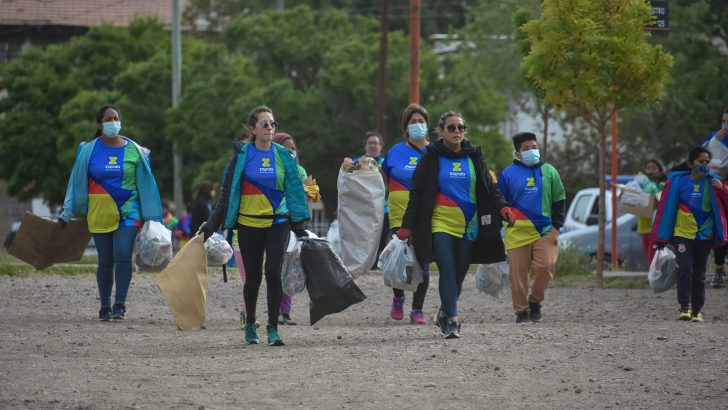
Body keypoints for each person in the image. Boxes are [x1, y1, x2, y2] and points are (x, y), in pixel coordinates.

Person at [397, 111, 513, 339]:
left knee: (459, 274)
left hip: (469, 225)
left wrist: (503, 207)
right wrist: (407, 225)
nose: (457, 131)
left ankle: (444, 311)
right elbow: (417, 194)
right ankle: (453, 320)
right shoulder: (430, 156)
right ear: (441, 131)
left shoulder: (474, 156)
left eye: (461, 127)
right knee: (447, 270)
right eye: (451, 128)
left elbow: (491, 188)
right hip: (440, 223)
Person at [202, 105, 309, 346]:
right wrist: (210, 226)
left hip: (278, 222)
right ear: (252, 129)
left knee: (273, 272)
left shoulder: (283, 155)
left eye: (273, 124)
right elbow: (226, 195)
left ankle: (273, 328)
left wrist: (299, 224)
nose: (270, 128)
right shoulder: (240, 157)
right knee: (252, 277)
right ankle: (250, 323)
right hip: (248, 224)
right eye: (264, 124)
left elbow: (293, 189)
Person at [59, 105, 162, 321]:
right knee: (105, 261)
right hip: (99, 213)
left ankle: (119, 305)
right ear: (100, 124)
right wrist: (66, 213)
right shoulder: (88, 150)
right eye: (108, 118)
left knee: (123, 254)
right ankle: (104, 305)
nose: (113, 122)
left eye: (116, 118)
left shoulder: (135, 150)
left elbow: (147, 183)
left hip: (129, 212)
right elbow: (75, 183)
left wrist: (152, 217)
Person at [651, 147, 728, 322]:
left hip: (705, 236)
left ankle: (697, 311)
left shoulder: (714, 183)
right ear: (690, 164)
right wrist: (661, 237)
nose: (705, 165)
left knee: (699, 274)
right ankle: (684, 306)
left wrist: (722, 188)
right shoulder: (677, 183)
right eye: (701, 162)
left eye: (707, 162)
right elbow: (666, 209)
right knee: (685, 269)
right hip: (682, 234)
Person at [498, 132, 565, 324]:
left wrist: (556, 226)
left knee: (546, 268)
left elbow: (559, 198)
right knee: (518, 277)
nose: (532, 151)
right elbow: (499, 201)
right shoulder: (507, 174)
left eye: (534, 147)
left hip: (545, 230)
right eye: (526, 148)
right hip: (516, 232)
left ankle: (535, 302)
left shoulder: (550, 171)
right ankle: (521, 311)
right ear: (518, 153)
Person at [381, 103, 431, 324]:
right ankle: (398, 297)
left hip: (426, 216)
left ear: (427, 126)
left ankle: (417, 309)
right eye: (413, 122)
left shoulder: (435, 152)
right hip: (399, 216)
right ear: (406, 127)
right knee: (399, 259)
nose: (418, 125)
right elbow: (379, 180)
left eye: (421, 122)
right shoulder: (395, 151)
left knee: (423, 263)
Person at [702, 107, 728, 288]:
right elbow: (699, 157)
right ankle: (718, 269)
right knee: (719, 230)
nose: (725, 125)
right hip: (715, 192)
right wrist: (714, 142)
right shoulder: (714, 137)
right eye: (724, 120)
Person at [635, 160, 666, 267]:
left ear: (659, 169)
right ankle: (652, 271)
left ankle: (656, 271)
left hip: (658, 223)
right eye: (648, 168)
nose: (651, 171)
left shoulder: (663, 183)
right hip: (644, 221)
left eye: (654, 168)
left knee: (655, 249)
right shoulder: (639, 183)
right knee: (647, 248)